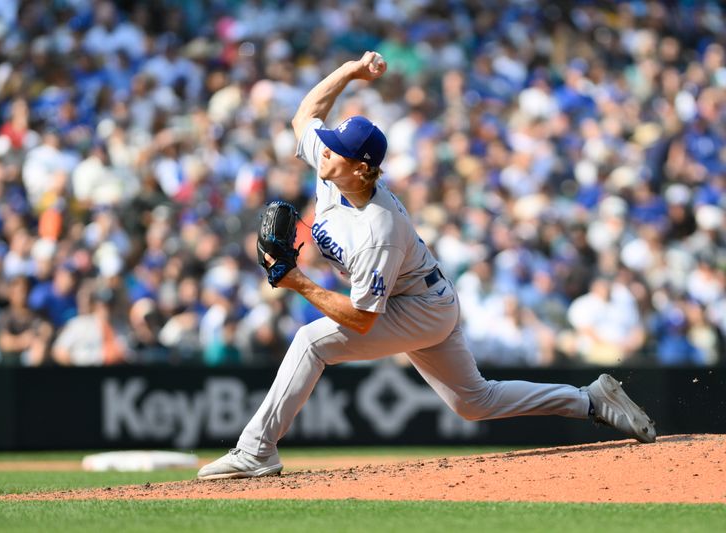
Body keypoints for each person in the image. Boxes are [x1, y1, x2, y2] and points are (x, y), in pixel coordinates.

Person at [197, 51, 656, 480]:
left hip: (417, 307)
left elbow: (360, 319)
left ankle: (257, 449)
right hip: (425, 294)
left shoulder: (379, 230)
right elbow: (305, 114)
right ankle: (590, 400)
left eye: (337, 148)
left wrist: (296, 281)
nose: (325, 148)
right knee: (474, 401)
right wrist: (351, 71)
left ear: (361, 169)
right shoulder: (335, 169)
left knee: (310, 342)